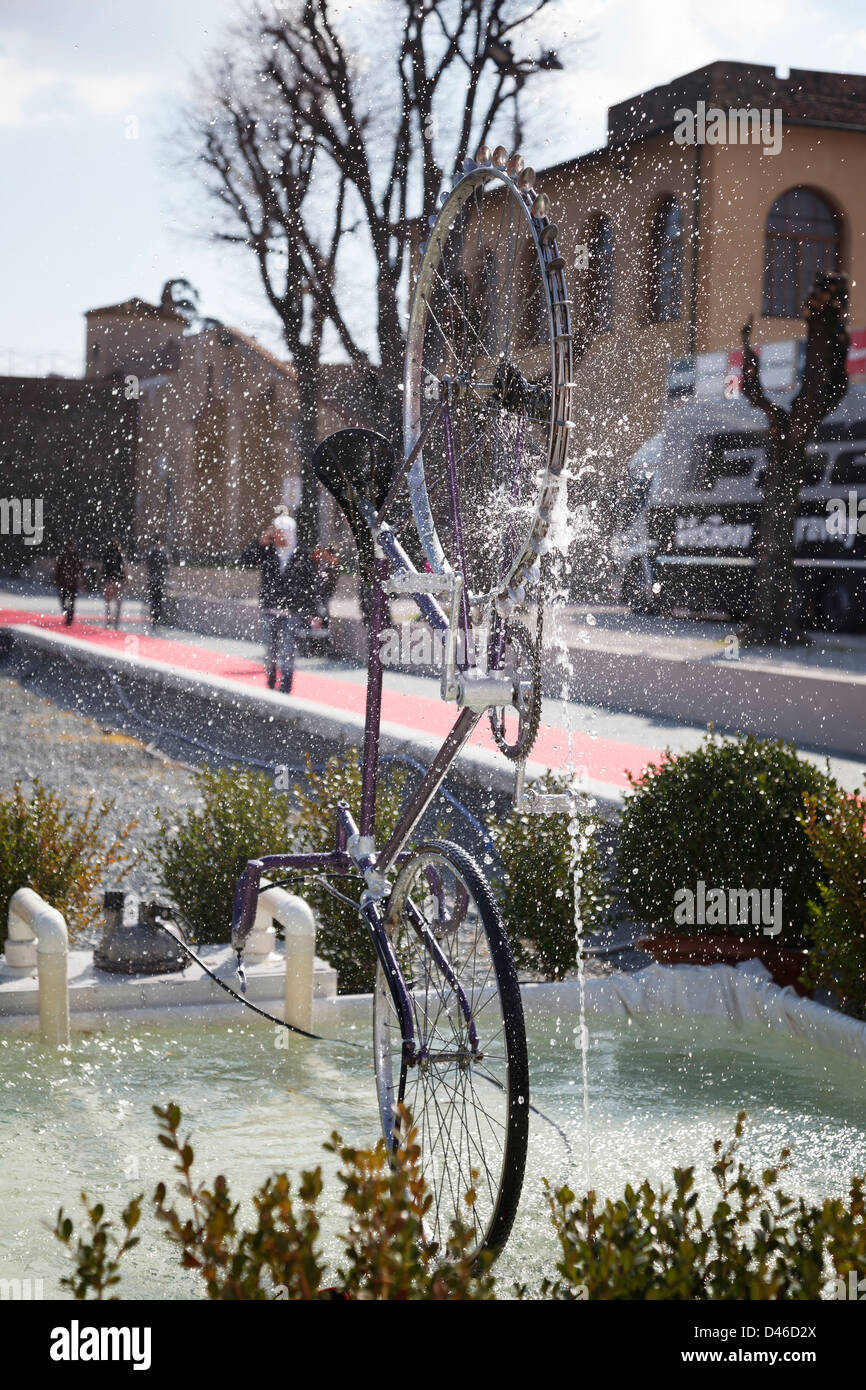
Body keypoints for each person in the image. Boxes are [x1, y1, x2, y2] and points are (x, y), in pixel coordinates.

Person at [254, 510, 316, 693]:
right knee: (270, 651)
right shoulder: (267, 551)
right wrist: (260, 543)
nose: (275, 535)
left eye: (279, 531)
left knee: (288, 652)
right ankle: (271, 680)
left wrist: (312, 611)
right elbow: (245, 559)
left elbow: (309, 584)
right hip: (270, 609)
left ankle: (286, 685)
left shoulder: (301, 554)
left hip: (291, 611)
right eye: (274, 531)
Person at [101, 537, 127, 629]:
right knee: (118, 602)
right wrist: (125, 578)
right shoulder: (119, 554)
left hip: (108, 580)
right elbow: (123, 567)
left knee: (108, 602)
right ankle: (116, 621)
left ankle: (109, 619)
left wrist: (103, 578)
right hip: (117, 580)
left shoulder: (106, 555)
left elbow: (103, 568)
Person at [54, 537, 81, 626]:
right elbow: (79, 568)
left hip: (67, 582)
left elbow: (58, 568)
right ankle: (69, 615)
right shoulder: (69, 556)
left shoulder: (65, 555)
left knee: (67, 600)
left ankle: (69, 615)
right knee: (68, 600)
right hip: (69, 581)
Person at [146, 537, 169, 626]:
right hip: (160, 580)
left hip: (153, 579)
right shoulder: (162, 553)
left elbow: (148, 565)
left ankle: (154, 617)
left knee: (153, 599)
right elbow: (166, 566)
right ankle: (157, 617)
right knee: (158, 600)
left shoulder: (152, 553)